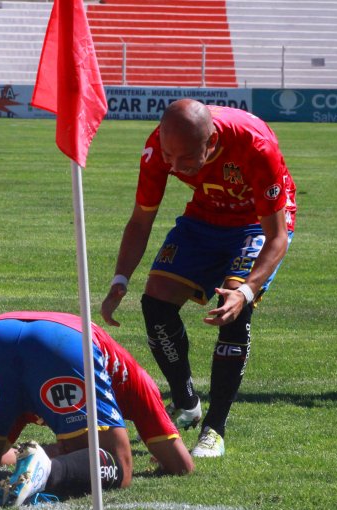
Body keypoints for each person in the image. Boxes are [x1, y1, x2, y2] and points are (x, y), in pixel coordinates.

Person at [101, 99, 297, 457]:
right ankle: (187, 401)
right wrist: (120, 279)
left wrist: (248, 292)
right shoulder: (159, 149)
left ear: (210, 142)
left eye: (186, 159)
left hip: (258, 221)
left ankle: (214, 430)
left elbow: (277, 236)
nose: (174, 167)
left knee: (233, 304)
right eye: (169, 157)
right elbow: (141, 220)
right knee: (156, 301)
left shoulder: (256, 146)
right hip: (206, 214)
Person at [0, 311, 193, 506]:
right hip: (65, 343)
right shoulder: (139, 382)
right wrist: (56, 458)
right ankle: (46, 472)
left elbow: (4, 453)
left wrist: (44, 451)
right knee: (119, 465)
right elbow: (181, 464)